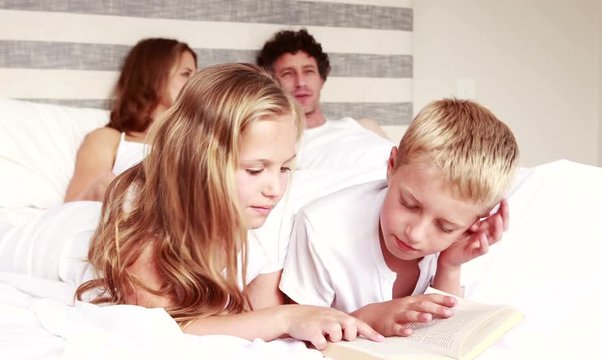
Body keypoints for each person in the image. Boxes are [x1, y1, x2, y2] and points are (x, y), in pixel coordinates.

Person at [0, 64, 382, 349]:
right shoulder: (141, 234)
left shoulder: (266, 210)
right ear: (200, 161)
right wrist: (287, 316)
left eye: (284, 167)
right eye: (254, 169)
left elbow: (256, 315)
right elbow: (168, 323)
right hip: (54, 235)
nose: (275, 187)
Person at [279, 98, 519, 337]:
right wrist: (368, 318)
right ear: (391, 166)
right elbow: (296, 337)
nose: (415, 234)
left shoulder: (463, 239)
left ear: (474, 223)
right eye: (409, 204)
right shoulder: (320, 229)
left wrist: (450, 266)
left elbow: (442, 338)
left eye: (444, 227)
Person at [64, 38, 197, 202]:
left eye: (195, 75)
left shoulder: (196, 143)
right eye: (186, 73)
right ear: (153, 75)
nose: (195, 82)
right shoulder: (108, 140)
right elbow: (72, 210)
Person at [256, 28, 394, 170]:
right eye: (288, 74)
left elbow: (407, 162)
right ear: (272, 84)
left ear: (321, 79)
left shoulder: (364, 126)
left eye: (308, 71)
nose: (301, 82)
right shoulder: (275, 147)